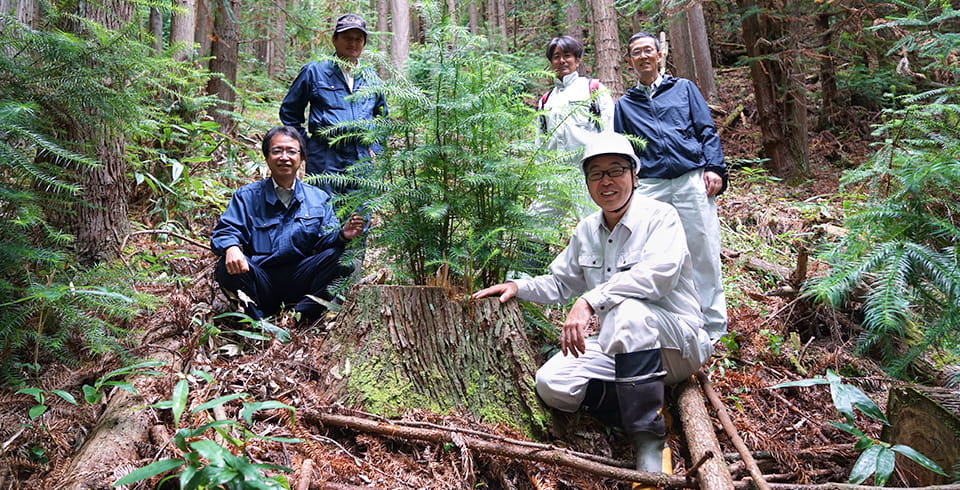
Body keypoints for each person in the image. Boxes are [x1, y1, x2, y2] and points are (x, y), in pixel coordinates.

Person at [473, 132, 714, 477]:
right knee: (553, 384)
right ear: (587, 182)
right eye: (596, 174)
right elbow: (560, 282)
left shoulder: (661, 217)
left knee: (627, 311)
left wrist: (589, 299)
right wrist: (517, 286)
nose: (607, 181)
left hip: (677, 342)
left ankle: (648, 440)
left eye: (616, 170)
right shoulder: (587, 229)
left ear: (634, 174)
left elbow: (658, 275)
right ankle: (648, 401)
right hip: (624, 347)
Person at [613, 31, 729, 340]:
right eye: (637, 52)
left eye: (648, 50)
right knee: (656, 255)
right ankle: (675, 324)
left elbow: (706, 129)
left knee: (702, 249)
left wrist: (714, 167)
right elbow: (624, 150)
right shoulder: (624, 105)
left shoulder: (684, 89)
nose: (644, 56)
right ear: (629, 61)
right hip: (650, 185)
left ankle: (714, 328)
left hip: (691, 177)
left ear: (660, 54)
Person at [211, 126, 365, 324]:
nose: (284, 157)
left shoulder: (317, 197)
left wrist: (343, 235)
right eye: (277, 151)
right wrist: (231, 247)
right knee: (226, 266)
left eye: (291, 151)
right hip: (261, 277)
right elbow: (225, 230)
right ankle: (258, 323)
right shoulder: (246, 196)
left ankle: (302, 318)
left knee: (344, 258)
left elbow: (326, 240)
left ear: (302, 158)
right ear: (266, 157)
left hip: (302, 275)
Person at [279, 13, 388, 194]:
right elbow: (289, 112)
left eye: (358, 39)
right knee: (323, 212)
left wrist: (375, 147)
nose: (352, 43)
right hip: (325, 156)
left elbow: (382, 117)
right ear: (334, 39)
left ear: (364, 43)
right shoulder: (314, 71)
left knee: (359, 216)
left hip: (361, 159)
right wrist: (305, 146)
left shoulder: (371, 79)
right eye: (347, 38)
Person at [536, 35, 615, 220]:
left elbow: (609, 132)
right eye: (556, 56)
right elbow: (540, 143)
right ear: (551, 62)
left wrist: (606, 172)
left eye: (567, 55)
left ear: (577, 60)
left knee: (594, 225)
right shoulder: (546, 101)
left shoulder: (593, 90)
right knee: (536, 226)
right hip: (554, 176)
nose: (562, 60)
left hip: (586, 174)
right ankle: (537, 250)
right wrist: (540, 177)